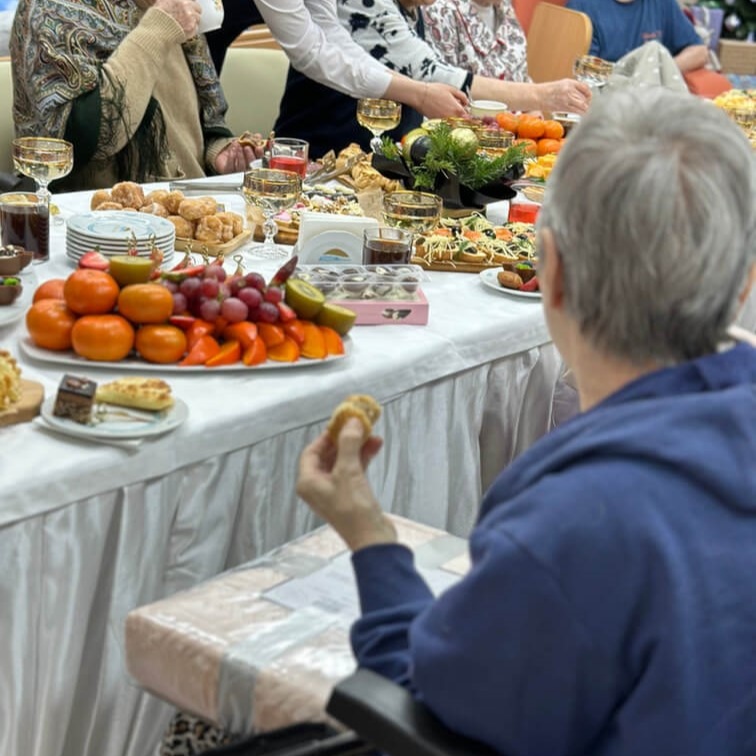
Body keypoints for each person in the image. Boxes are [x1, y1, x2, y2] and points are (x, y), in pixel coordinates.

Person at [296, 88, 756, 754]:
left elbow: (436, 704)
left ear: (551, 270)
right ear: (743, 283)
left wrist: (370, 538)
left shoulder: (575, 523)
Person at [274, 0, 590, 156]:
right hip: (322, 157)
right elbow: (434, 75)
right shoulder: (365, 5)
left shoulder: (416, 7)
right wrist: (543, 96)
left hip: (389, 160)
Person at [10, 0, 259, 190]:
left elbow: (198, 121)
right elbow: (79, 140)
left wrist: (218, 154)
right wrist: (158, 30)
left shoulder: (167, 6)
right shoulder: (51, 9)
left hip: (187, 211)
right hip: (98, 226)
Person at [566, 0, 709, 74]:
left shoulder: (662, 3)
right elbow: (583, 74)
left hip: (654, 95)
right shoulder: (582, 5)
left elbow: (699, 52)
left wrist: (656, 69)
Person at [423, 0, 530, 83]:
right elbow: (445, 86)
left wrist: (533, 106)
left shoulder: (505, 7)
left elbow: (522, 77)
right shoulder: (440, 11)